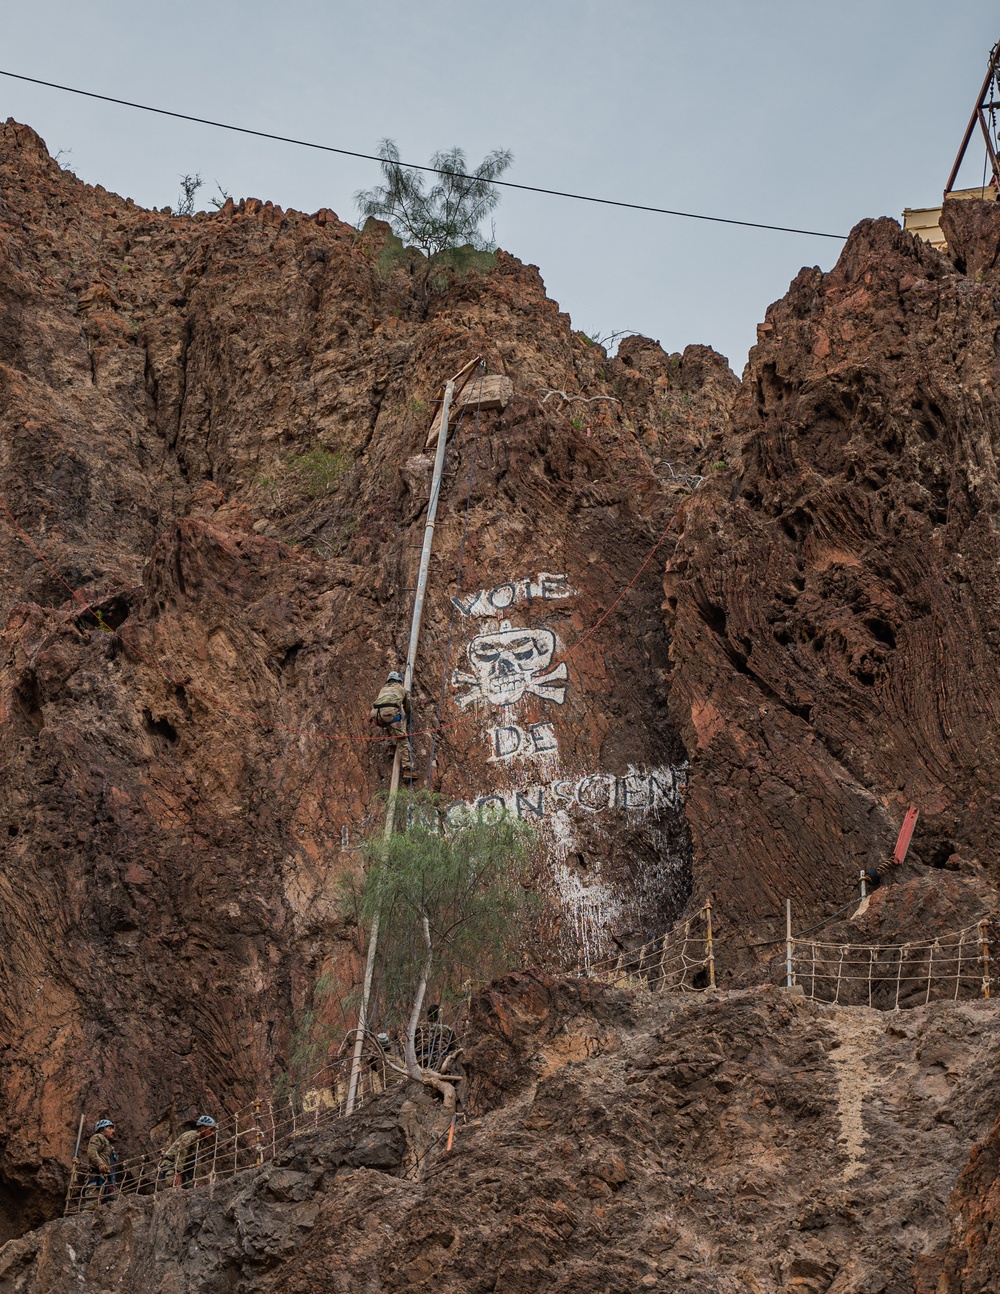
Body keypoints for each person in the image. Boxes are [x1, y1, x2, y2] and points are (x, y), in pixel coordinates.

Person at [369, 670, 414, 779]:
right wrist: (408, 717)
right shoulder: (401, 688)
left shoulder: (383, 689)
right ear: (399, 680)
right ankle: (408, 770)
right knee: (402, 740)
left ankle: (391, 746)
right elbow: (407, 707)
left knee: (388, 725)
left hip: (375, 714)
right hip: (389, 712)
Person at [158, 1115, 217, 1187]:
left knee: (193, 1187)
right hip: (171, 1166)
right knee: (175, 1185)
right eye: (211, 1130)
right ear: (203, 1128)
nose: (212, 1133)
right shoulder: (191, 1136)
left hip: (182, 1171)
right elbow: (182, 1152)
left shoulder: (199, 1141)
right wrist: (178, 1173)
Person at [82, 1118, 119, 1211]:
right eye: (110, 1128)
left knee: (114, 1203)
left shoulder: (109, 1145)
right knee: (91, 1205)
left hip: (107, 1178)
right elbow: (92, 1151)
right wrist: (100, 1164)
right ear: (102, 1130)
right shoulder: (98, 1137)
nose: (113, 1131)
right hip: (97, 1175)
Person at [415, 1005, 456, 1071]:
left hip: (421, 1061)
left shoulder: (419, 1028)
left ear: (428, 1015)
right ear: (440, 1016)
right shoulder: (447, 1029)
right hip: (441, 1061)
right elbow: (453, 1048)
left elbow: (412, 1048)